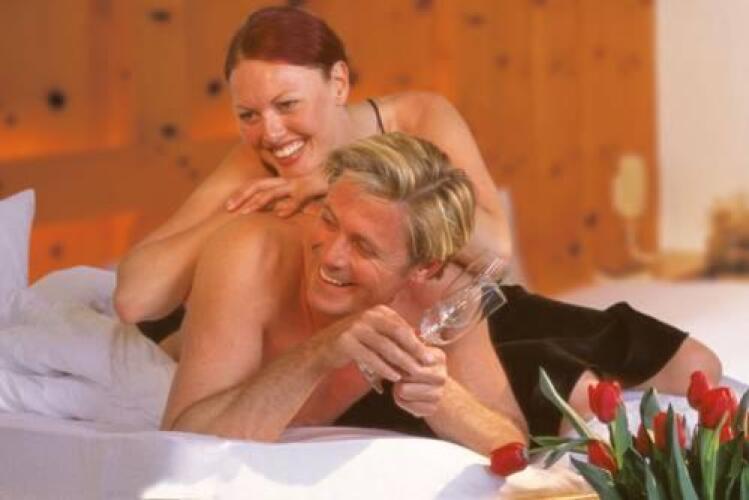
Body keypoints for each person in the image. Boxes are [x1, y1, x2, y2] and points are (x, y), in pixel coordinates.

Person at [117, 6, 721, 437]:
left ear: (338, 83)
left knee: (695, 367)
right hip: (361, 307)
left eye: (286, 105)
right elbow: (136, 298)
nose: (269, 131)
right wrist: (246, 207)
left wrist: (348, 188)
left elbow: (496, 255)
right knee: (581, 395)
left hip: (451, 289)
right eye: (247, 113)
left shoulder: (418, 120)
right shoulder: (255, 171)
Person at [160, 132, 527, 456]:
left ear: (425, 268)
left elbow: (513, 444)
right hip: (182, 363)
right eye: (328, 220)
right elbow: (185, 442)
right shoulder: (250, 256)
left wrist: (442, 397)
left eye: (364, 247)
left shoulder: (443, 294)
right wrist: (321, 352)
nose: (331, 257)